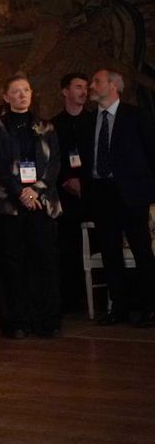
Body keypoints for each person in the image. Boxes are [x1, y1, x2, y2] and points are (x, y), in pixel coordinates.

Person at [0, 74, 62, 338]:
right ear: (6, 97)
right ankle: (16, 321)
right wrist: (20, 192)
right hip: (11, 204)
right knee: (13, 262)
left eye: (26, 90)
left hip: (40, 202)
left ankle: (46, 320)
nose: (22, 95)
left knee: (44, 260)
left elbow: (54, 165)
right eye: (16, 91)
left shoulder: (45, 126)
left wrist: (36, 191)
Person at [85, 68, 155, 327]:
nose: (92, 85)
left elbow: (151, 152)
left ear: (113, 86)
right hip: (102, 193)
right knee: (110, 252)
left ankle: (150, 307)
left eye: (97, 81)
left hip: (131, 193)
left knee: (141, 249)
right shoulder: (90, 119)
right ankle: (119, 308)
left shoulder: (135, 116)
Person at [51, 73, 93, 313]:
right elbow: (53, 159)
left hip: (92, 192)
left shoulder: (94, 120)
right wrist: (67, 179)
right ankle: (71, 299)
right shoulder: (54, 125)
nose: (83, 92)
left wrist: (83, 181)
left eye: (86, 88)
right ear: (65, 91)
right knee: (68, 246)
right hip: (65, 193)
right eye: (78, 87)